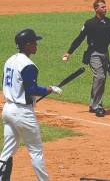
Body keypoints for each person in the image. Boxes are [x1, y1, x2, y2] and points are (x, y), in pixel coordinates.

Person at [0, 29, 63, 181]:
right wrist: (49, 89)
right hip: (23, 113)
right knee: (36, 151)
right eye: (34, 42)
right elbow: (31, 89)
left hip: (8, 109)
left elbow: (11, 84)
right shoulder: (28, 65)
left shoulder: (10, 60)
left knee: (7, 151)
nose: (36, 45)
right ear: (27, 44)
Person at [62, 0, 110, 117]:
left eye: (105, 6)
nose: (105, 9)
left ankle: (93, 103)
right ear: (96, 9)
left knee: (102, 80)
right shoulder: (90, 23)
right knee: (100, 76)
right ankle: (97, 106)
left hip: (105, 53)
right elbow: (80, 38)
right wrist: (69, 52)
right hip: (93, 54)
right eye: (102, 7)